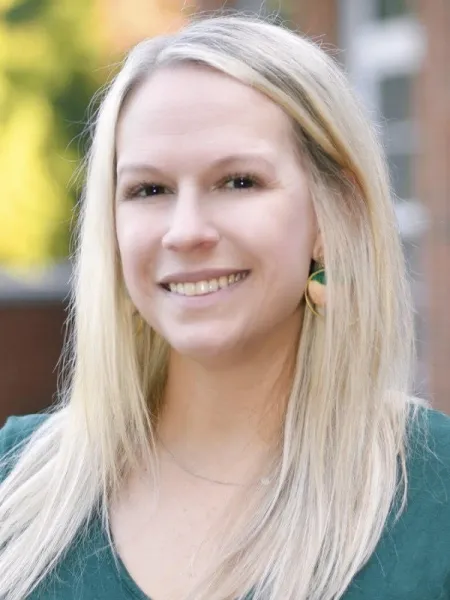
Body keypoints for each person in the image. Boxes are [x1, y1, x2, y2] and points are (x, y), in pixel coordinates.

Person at [1, 13, 449, 600]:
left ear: (330, 215)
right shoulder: (18, 483)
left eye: (238, 182)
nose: (185, 232)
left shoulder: (433, 494)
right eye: (149, 190)